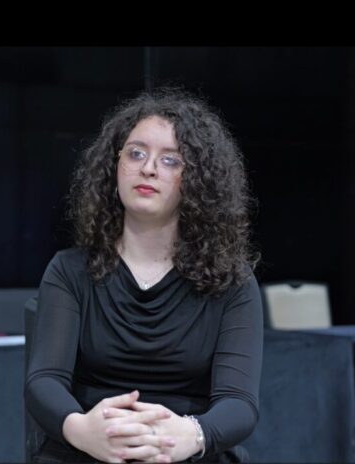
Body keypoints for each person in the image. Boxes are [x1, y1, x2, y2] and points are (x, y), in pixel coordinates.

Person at [24, 87, 263, 463]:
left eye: (171, 160)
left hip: (186, 449)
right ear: (114, 167)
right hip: (88, 447)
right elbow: (44, 381)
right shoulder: (70, 270)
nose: (148, 168)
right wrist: (81, 430)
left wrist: (192, 434)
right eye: (136, 153)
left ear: (198, 180)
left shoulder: (232, 282)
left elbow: (239, 403)